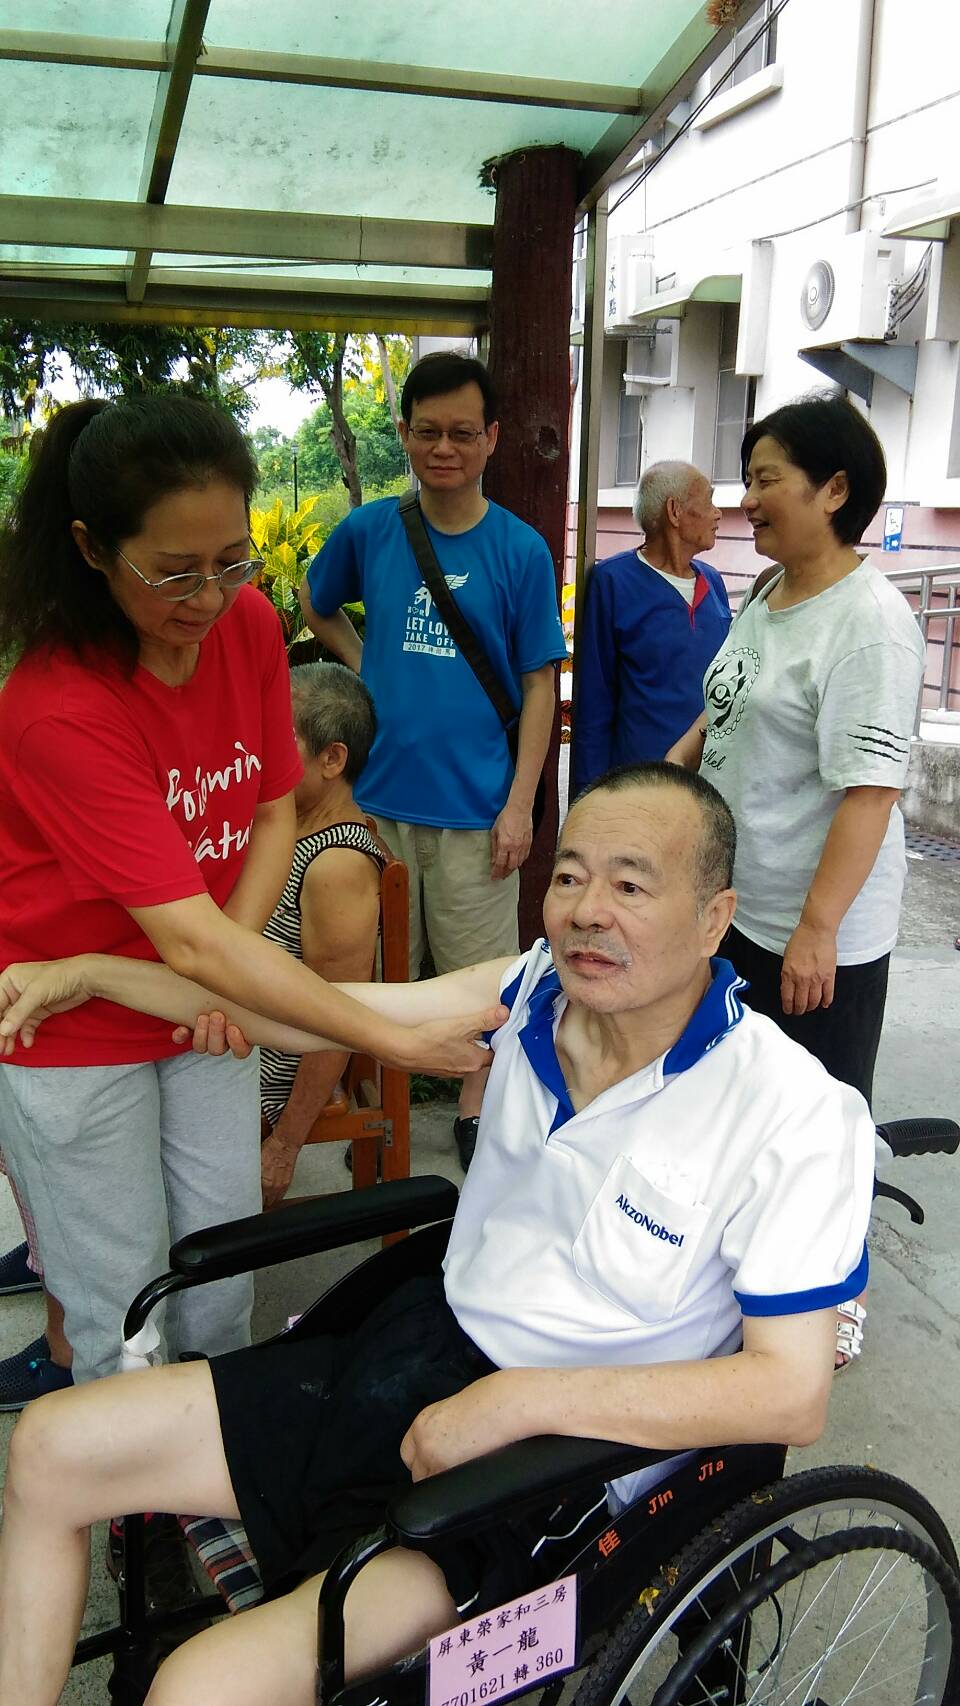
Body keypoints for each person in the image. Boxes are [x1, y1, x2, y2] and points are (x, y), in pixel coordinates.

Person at [0, 763, 875, 1706]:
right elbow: (306, 1010)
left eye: (630, 885)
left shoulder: (793, 1113)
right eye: (569, 875)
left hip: (549, 1484)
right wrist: (91, 975)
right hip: (406, 1360)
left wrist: (522, 1404)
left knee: (197, 1689)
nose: (585, 910)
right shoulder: (529, 996)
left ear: (715, 917)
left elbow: (790, 1395)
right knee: (48, 1445)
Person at [0, 396, 497, 1404]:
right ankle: (137, 1513)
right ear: (93, 548)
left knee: (224, 1263)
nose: (210, 594)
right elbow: (187, 942)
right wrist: (392, 1040)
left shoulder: (245, 630)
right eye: (174, 571)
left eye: (232, 560)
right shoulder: (59, 706)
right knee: (122, 1302)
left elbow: (275, 809)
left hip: (202, 1006)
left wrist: (218, 975)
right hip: (74, 1025)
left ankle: (210, 1476)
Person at [666, 394, 924, 1367]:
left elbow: (869, 793)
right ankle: (746, 1257)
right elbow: (719, 711)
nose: (747, 498)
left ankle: (834, 1292)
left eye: (767, 477)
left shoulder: (869, 623)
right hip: (742, 906)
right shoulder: (769, 595)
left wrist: (818, 926)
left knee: (825, 1116)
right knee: (745, 1097)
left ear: (835, 489)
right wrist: (659, 784)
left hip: (818, 926)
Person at [299, 350, 567, 1170]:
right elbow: (317, 599)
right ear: (405, 435)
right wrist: (364, 665)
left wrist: (522, 802)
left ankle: (475, 1107)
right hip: (375, 807)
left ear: (489, 439)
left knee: (480, 978)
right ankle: (381, 1114)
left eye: (460, 432)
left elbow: (538, 686)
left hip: (476, 813)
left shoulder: (519, 551)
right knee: (378, 974)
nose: (442, 447)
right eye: (426, 432)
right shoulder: (373, 529)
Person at [258, 662, 385, 1208]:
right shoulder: (282, 823)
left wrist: (284, 1143)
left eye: (273, 737)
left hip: (261, 1072)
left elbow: (339, 1015)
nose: (255, 749)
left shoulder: (336, 863)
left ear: (332, 758)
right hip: (235, 1043)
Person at [571, 461, 728, 793]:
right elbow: (593, 705)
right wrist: (585, 798)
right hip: (639, 787)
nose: (718, 514)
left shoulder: (713, 582)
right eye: (709, 501)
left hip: (710, 786)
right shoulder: (612, 581)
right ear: (675, 511)